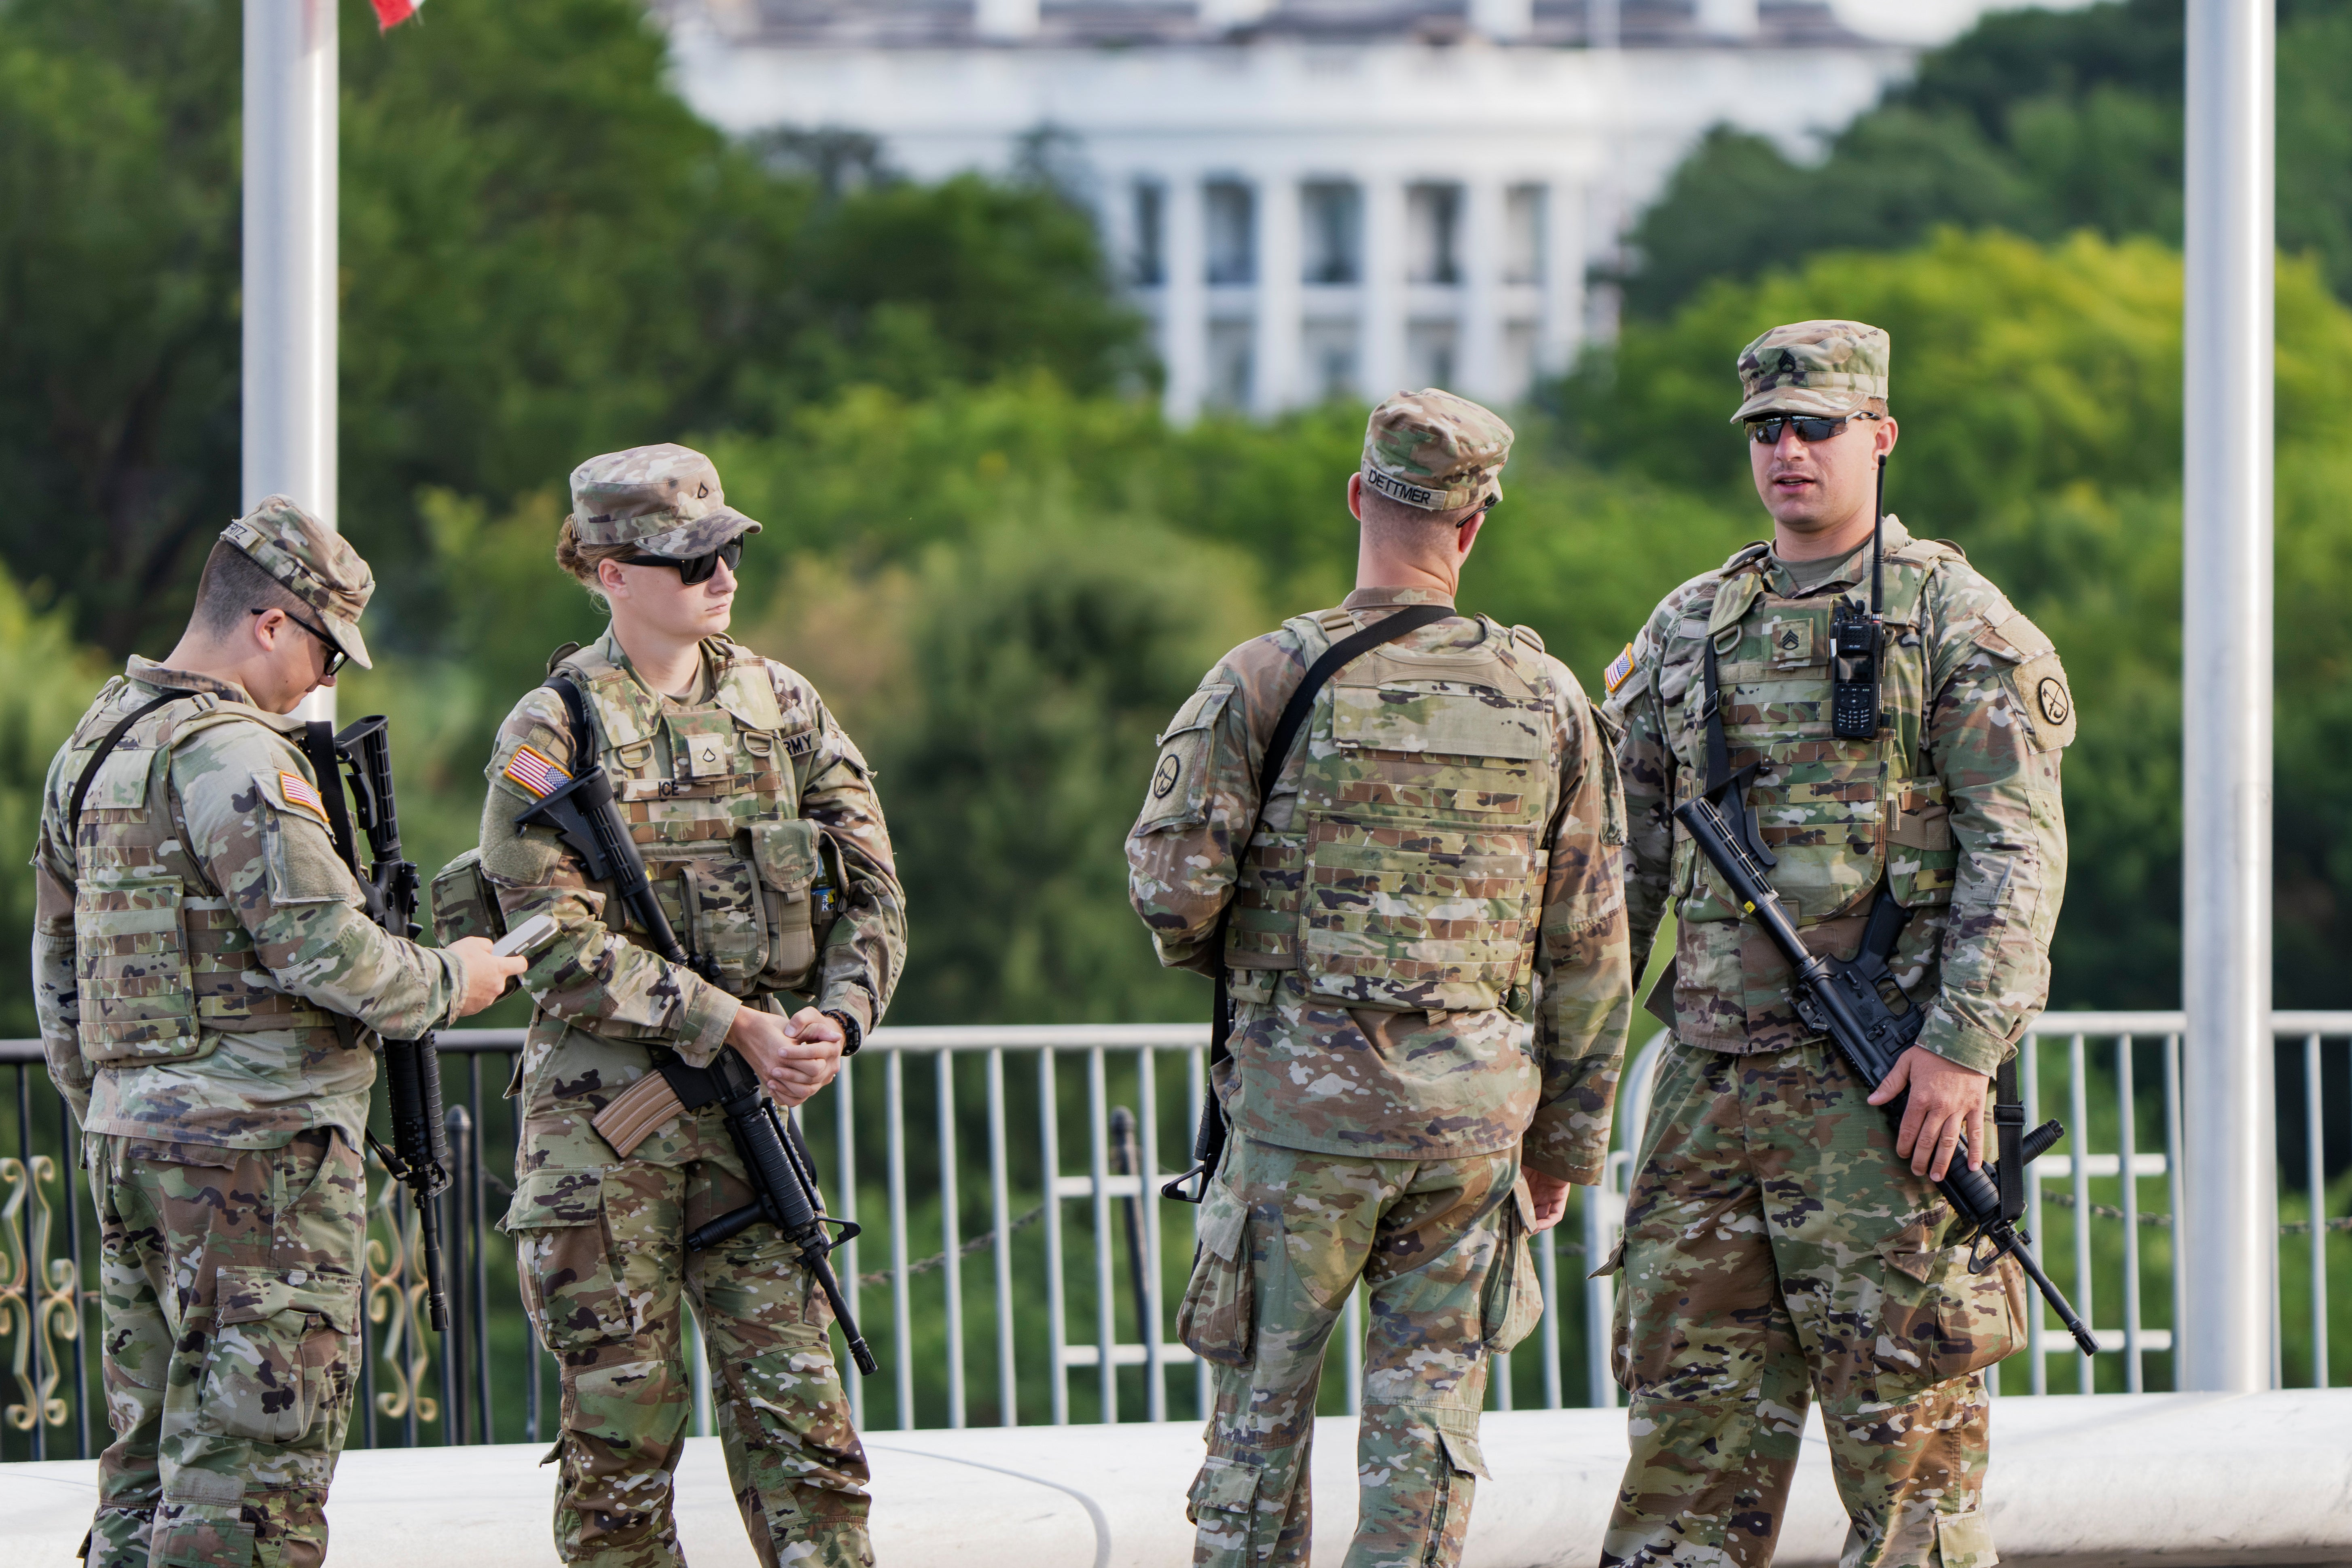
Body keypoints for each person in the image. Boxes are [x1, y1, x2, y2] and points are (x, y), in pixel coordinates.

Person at [1128, 390, 1634, 1568]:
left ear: (1360, 497)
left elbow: (1172, 895)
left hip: (1299, 1121)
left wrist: (1265, 969)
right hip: (1471, 1127)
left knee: (1260, 1424)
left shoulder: (1262, 676)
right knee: (1425, 1432)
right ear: (1475, 527)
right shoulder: (1549, 698)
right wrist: (1564, 1145)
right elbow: (1593, 950)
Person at [1597, 321, 2075, 1568]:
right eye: (1767, 430)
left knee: (1909, 1472)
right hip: (1711, 1095)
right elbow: (1617, 877)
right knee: (1682, 1460)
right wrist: (1573, 1090)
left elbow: (2019, 855)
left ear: (1880, 435)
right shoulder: (1691, 629)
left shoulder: (1958, 626)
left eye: (1816, 426)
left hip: (1889, 1100)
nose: (1789, 452)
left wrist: (1963, 1052)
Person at [29, 498, 527, 1568]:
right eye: (322, 649)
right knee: (253, 1478)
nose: (322, 680)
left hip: (132, 1145)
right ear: (270, 623)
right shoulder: (239, 758)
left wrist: (120, 1109)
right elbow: (329, 954)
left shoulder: (96, 741)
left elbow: (58, 973)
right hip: (259, 1168)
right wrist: (457, 977)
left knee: (146, 1472)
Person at [476, 443, 904, 1568]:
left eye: (729, 550)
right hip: (603, 1137)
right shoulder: (554, 727)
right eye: (689, 559)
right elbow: (549, 938)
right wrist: (734, 1024)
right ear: (610, 572)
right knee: (621, 1453)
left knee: (807, 1439)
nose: (721, 575)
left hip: (751, 1122)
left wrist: (838, 1021)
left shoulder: (784, 706)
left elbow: (874, 893)